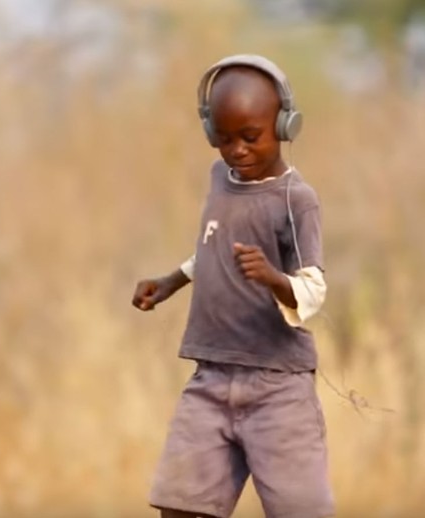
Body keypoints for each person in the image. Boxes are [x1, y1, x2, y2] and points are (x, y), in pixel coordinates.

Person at [131, 54, 333, 518]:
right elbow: (214, 248)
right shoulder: (220, 179)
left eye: (250, 136)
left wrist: (272, 278)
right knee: (180, 506)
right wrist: (171, 282)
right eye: (223, 139)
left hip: (277, 386)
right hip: (211, 376)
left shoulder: (295, 200)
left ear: (284, 125)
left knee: (300, 510)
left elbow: (313, 290)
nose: (236, 150)